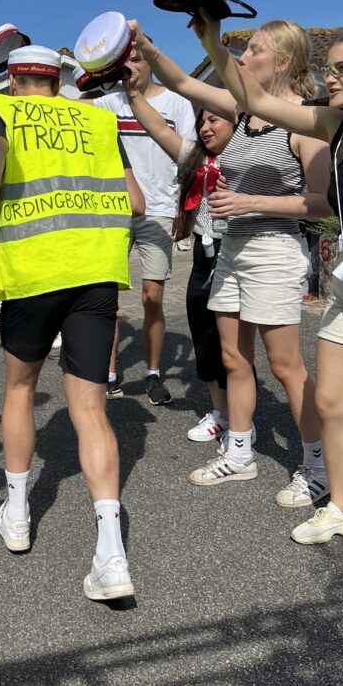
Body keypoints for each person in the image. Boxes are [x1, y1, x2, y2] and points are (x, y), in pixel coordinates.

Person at [195, 16, 343, 545]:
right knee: (332, 405)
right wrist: (210, 38)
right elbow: (257, 100)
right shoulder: (336, 127)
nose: (331, 76)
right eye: (327, 67)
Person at [0, 45, 145, 601]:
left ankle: (16, 515)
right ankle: (110, 554)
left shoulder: (2, 112)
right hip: (95, 274)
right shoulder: (98, 118)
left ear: (14, 78)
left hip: (32, 274)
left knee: (20, 387)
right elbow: (133, 200)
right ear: (59, 78)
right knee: (90, 408)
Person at [131, 20, 332, 508]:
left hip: (273, 250)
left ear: (281, 62)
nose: (241, 60)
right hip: (234, 251)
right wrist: (145, 47)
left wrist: (247, 202)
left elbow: (322, 203)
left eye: (253, 52)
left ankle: (319, 467)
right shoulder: (242, 110)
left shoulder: (309, 120)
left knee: (285, 366)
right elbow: (181, 82)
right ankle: (239, 453)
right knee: (233, 359)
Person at [121, 94, 238, 441]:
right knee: (203, 332)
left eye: (214, 120)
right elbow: (157, 127)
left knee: (234, 346)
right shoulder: (195, 158)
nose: (204, 127)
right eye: (202, 121)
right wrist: (133, 92)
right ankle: (221, 414)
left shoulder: (245, 158)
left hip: (237, 254)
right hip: (204, 254)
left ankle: (243, 420)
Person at [93, 40, 196, 405]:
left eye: (135, 60)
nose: (130, 67)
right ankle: (108, 373)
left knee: (152, 296)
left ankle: (153, 373)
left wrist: (186, 210)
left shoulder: (176, 103)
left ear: (149, 63)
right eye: (123, 63)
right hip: (112, 212)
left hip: (159, 209)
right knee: (106, 297)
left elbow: (189, 160)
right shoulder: (106, 104)